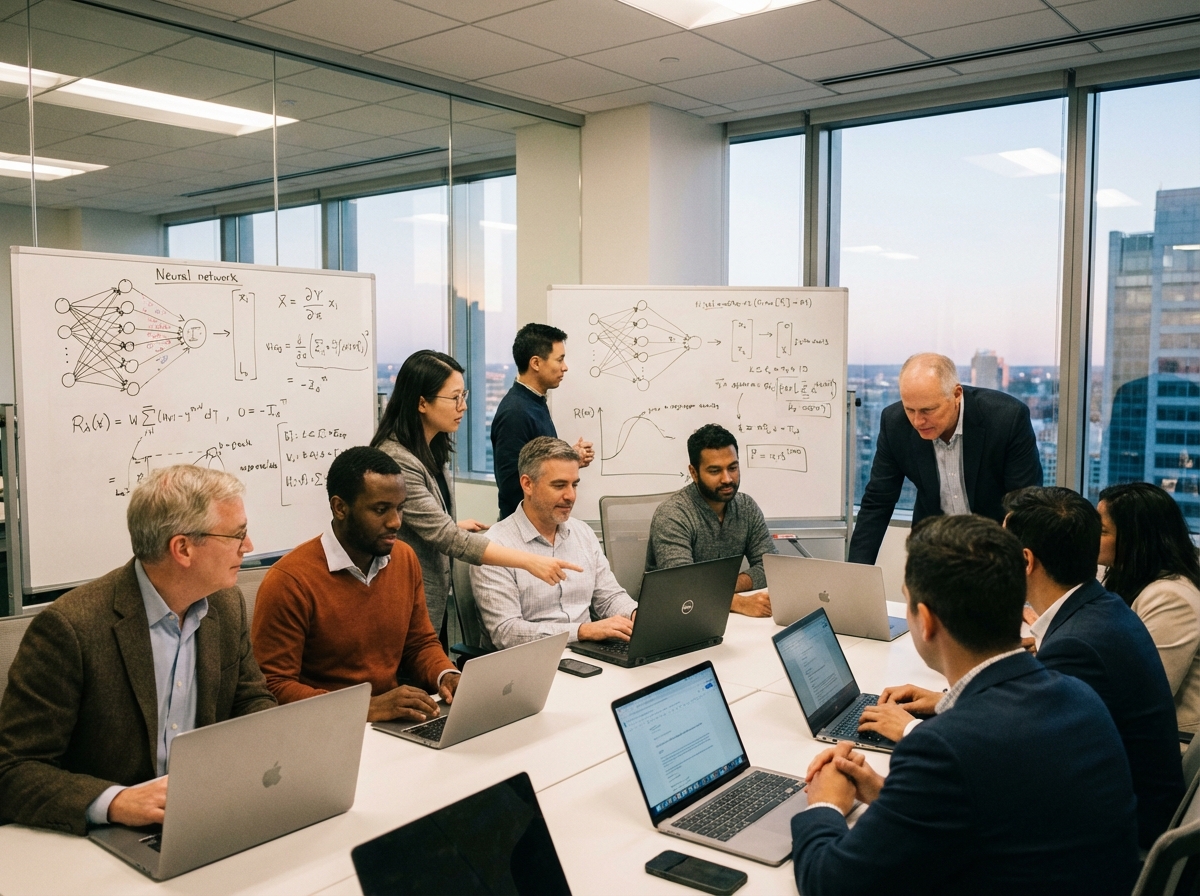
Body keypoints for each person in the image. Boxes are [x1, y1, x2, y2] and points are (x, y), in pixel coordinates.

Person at [792, 515, 1138, 896]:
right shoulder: (1080, 696)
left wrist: (824, 805)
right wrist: (886, 792)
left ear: (925, 621)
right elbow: (1003, 805)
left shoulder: (945, 749)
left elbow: (831, 885)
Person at [857, 487, 1183, 849]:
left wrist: (911, 731)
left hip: (1120, 837)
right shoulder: (1099, 608)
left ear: (1024, 561)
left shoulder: (1075, 647)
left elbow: (1012, 759)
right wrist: (945, 701)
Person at [0, 466, 276, 836]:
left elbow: (250, 700)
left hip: (204, 814)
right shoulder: (71, 629)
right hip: (108, 836)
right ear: (183, 549)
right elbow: (14, 770)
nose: (249, 546)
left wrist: (277, 755)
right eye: (237, 535)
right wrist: (114, 802)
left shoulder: (225, 605)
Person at [371, 350, 583, 638]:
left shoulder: (430, 450)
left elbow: (418, 522)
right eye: (455, 398)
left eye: (464, 395)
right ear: (422, 402)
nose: (464, 406)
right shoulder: (398, 460)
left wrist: (451, 525)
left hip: (426, 594)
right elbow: (447, 539)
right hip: (402, 599)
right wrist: (528, 560)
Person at [252, 447, 463, 724]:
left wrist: (446, 675)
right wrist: (365, 708)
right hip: (324, 728)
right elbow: (274, 686)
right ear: (340, 508)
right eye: (380, 509)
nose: (395, 522)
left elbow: (419, 643)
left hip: (389, 721)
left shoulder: (404, 558)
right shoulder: (290, 580)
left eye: (400, 507)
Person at [847, 352, 1042, 565]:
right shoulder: (894, 423)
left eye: (928, 410)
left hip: (997, 549)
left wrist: (1016, 569)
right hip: (934, 549)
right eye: (909, 409)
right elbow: (877, 502)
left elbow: (1024, 505)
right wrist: (856, 574)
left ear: (957, 394)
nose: (918, 421)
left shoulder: (1007, 418)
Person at [471, 437, 637, 650]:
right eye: (559, 485)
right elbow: (507, 633)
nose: (571, 496)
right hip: (529, 664)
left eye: (574, 484)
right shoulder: (495, 547)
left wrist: (635, 614)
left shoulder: (582, 533)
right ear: (527, 484)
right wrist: (583, 631)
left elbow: (609, 597)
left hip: (588, 654)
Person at [1100, 481, 1200, 735]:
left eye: (1101, 531)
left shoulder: (1171, 598)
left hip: (1174, 743)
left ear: (1136, 539)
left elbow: (1145, 697)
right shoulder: (1128, 576)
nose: (1090, 537)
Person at [645, 424, 776, 617]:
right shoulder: (673, 514)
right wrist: (738, 602)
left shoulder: (746, 507)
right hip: (672, 617)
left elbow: (770, 568)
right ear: (694, 473)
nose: (727, 479)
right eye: (715, 471)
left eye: (733, 467)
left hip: (725, 617)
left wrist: (728, 586)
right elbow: (682, 584)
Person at [491, 323, 594, 520]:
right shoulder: (515, 412)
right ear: (536, 363)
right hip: (523, 531)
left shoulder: (534, 402)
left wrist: (570, 459)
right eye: (560, 359)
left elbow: (536, 465)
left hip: (540, 525)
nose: (565, 367)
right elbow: (513, 486)